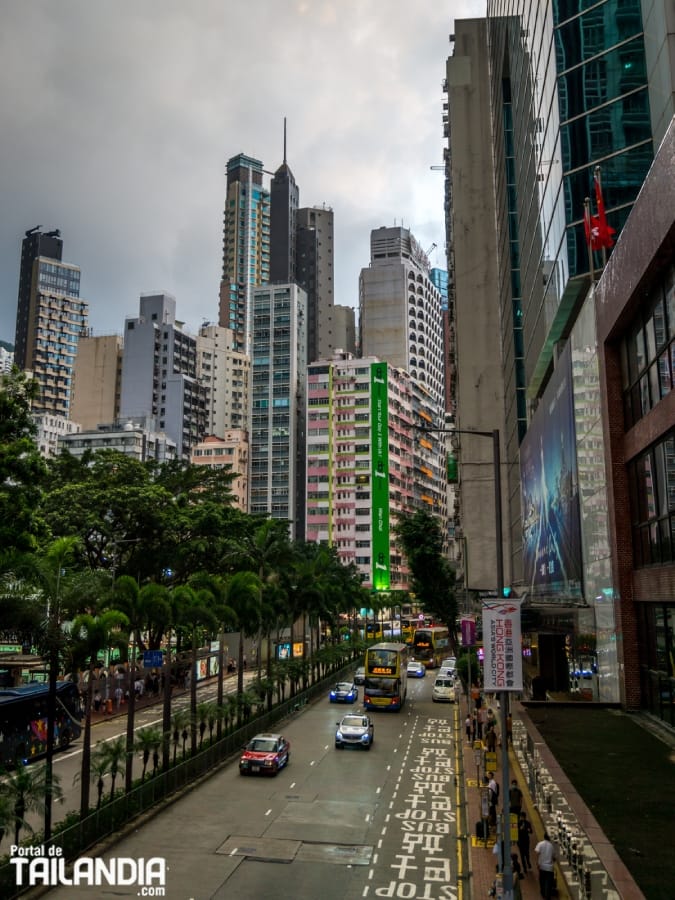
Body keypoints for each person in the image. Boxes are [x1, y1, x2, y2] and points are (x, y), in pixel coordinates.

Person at [534, 831, 557, 899]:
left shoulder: (540, 844)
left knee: (542, 881)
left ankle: (543, 893)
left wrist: (537, 863)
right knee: (549, 883)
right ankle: (548, 896)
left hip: (542, 867)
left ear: (544, 837)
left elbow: (537, 853)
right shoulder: (551, 846)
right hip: (550, 868)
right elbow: (554, 857)